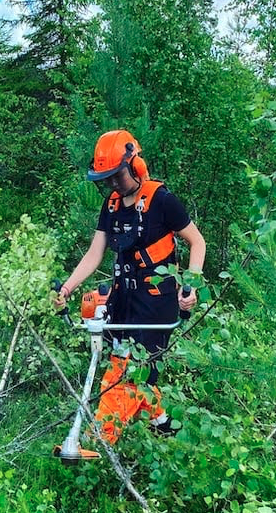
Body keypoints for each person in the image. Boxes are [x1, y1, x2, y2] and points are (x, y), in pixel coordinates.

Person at [54, 129, 206, 444]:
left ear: (135, 165)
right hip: (123, 298)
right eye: (106, 179)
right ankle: (162, 422)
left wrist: (190, 287)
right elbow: (95, 253)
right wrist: (67, 288)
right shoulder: (111, 206)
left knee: (128, 369)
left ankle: (100, 441)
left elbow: (197, 242)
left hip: (156, 302)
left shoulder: (161, 200)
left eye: (116, 176)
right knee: (126, 361)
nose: (112, 184)